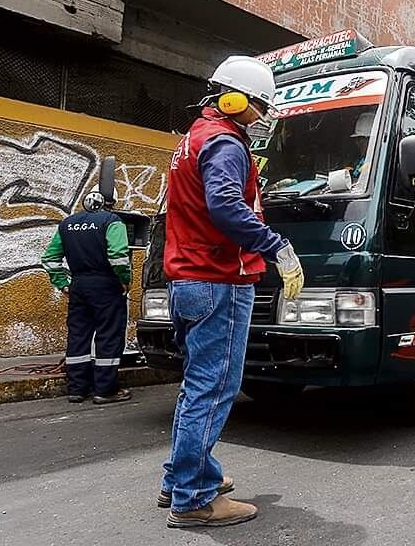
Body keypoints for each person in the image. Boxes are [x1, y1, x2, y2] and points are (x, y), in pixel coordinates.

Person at [160, 55, 304, 528]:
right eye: (259, 106)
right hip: (218, 279)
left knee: (196, 384)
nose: (262, 117)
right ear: (234, 99)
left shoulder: (194, 138)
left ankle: (181, 476)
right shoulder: (225, 142)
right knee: (216, 385)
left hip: (189, 279)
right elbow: (224, 205)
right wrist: (276, 246)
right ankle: (195, 498)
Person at [40, 189, 132, 405]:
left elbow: (49, 259)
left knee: (78, 335)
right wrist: (124, 279)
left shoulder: (67, 224)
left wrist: (63, 284)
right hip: (106, 285)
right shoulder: (112, 221)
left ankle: (77, 389)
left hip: (78, 285)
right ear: (109, 202)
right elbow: (118, 256)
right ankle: (105, 390)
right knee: (108, 336)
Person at [347, 110, 374, 183]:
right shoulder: (357, 160)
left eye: (360, 139)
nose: (357, 143)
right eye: (356, 139)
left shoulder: (376, 164)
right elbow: (349, 171)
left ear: (371, 139)